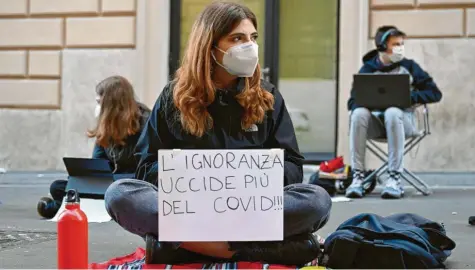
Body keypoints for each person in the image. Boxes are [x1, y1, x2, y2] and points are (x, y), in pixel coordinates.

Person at [104, 1, 332, 266]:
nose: (249, 46)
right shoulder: (174, 97)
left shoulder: (268, 98)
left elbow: (293, 165)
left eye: (252, 38)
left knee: (317, 200)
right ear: (209, 46)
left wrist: (249, 179)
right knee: (120, 195)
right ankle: (253, 250)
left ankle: (186, 247)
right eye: (237, 38)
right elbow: (145, 166)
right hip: (191, 208)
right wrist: (193, 178)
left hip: (251, 209)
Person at [345, 26, 442, 199]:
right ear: (382, 47)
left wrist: (409, 97)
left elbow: (435, 93)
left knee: (392, 112)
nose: (400, 48)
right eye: (396, 44)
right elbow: (352, 102)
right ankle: (358, 177)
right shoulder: (367, 69)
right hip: (376, 125)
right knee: (358, 113)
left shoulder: (409, 67)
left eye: (401, 44)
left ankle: (394, 178)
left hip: (404, 123)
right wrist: (368, 101)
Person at [37, 76, 151, 219]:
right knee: (58, 186)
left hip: (133, 183)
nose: (97, 107)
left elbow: (146, 168)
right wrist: (83, 177)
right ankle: (96, 205)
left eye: (99, 102)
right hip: (110, 182)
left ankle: (61, 206)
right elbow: (98, 163)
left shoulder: (145, 123)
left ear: (111, 103)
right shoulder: (107, 123)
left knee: (116, 190)